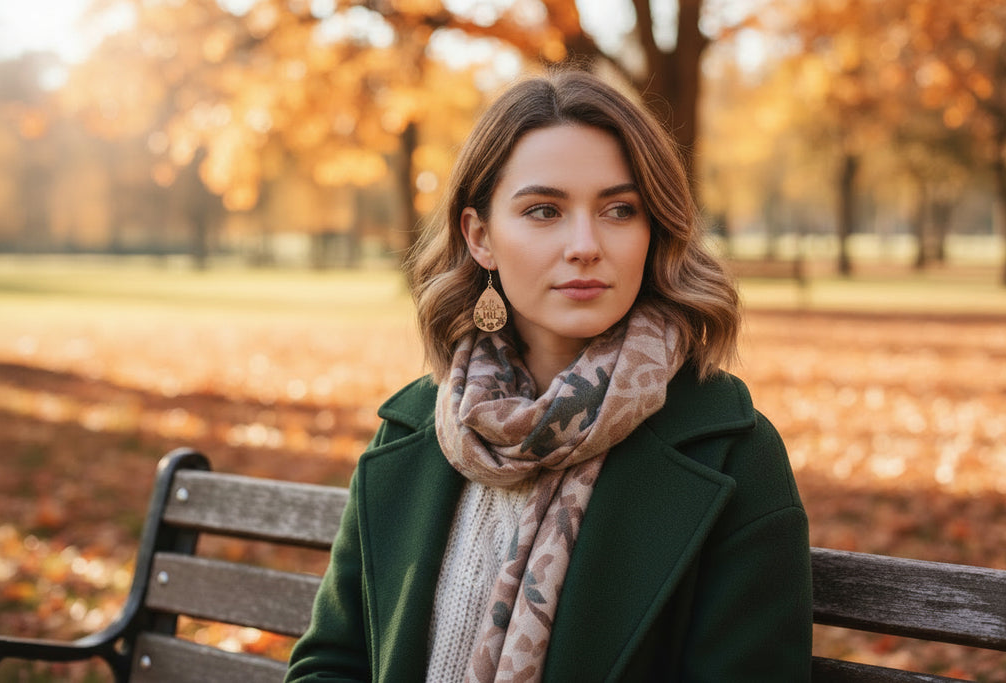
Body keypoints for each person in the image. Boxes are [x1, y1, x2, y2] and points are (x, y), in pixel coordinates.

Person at [286, 69, 811, 682]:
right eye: (544, 210)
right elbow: (331, 662)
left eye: (619, 209)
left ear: (654, 229)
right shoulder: (412, 430)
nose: (585, 244)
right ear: (480, 236)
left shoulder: (729, 450)